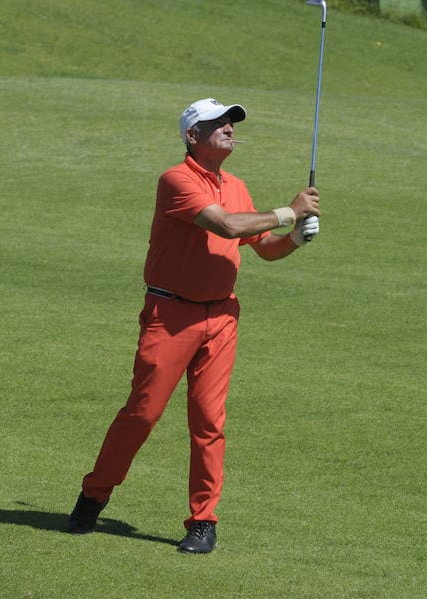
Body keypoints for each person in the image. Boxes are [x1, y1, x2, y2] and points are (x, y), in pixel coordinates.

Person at [68, 98, 320, 554]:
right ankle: (93, 495)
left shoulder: (237, 186)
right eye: (216, 123)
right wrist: (289, 212)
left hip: (222, 317)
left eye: (230, 122)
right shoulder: (177, 180)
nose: (227, 127)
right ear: (192, 136)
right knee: (142, 414)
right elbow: (224, 226)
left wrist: (296, 240)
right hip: (171, 317)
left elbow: (263, 248)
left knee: (209, 421)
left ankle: (203, 521)